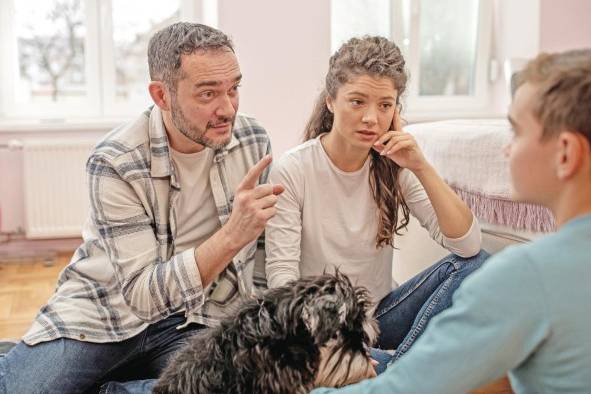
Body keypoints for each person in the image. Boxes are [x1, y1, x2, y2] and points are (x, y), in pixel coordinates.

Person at [0, 22, 284, 393]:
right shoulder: (116, 160)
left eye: (234, 89)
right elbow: (142, 296)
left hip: (196, 317)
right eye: (208, 94)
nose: (227, 108)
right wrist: (231, 236)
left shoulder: (251, 141)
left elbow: (259, 259)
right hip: (107, 312)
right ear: (161, 95)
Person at [312, 49, 591, 393]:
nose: (507, 150)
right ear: (331, 102)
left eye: (516, 132)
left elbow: (402, 390)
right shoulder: (301, 168)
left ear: (565, 153)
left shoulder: (527, 275)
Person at [265, 35, 488, 370]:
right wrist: (325, 343)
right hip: (321, 329)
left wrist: (420, 165)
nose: (372, 118)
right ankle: (400, 369)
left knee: (477, 264)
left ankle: (394, 367)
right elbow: (282, 279)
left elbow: (468, 246)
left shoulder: (396, 165)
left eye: (385, 105)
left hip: (379, 318)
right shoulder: (294, 168)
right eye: (357, 102)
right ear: (330, 101)